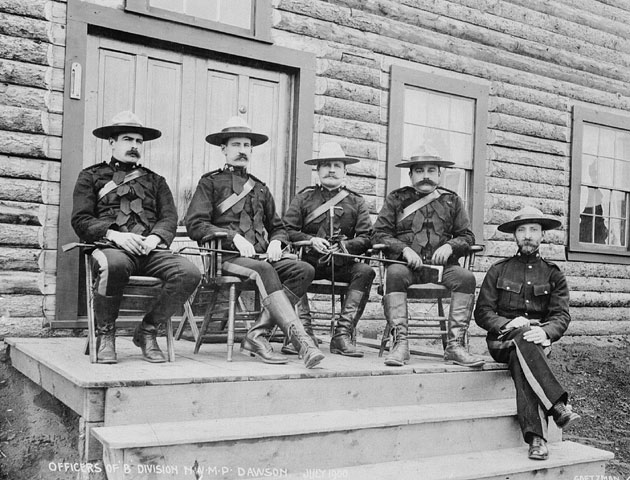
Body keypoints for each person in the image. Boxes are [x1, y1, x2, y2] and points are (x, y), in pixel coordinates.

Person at [185, 116, 324, 369]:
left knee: (303, 270)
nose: (242, 150)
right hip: (225, 259)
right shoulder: (210, 183)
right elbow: (195, 224)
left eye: (246, 145)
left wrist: (277, 243)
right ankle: (303, 343)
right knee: (264, 270)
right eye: (235, 144)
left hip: (261, 259)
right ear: (224, 149)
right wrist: (232, 236)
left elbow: (279, 227)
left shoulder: (260, 188)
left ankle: (256, 335)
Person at [71, 111, 201, 364]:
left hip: (150, 250)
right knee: (114, 265)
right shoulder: (90, 177)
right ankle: (106, 334)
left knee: (189, 273)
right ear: (112, 142)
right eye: (127, 139)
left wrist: (155, 238)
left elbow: (169, 218)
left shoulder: (155, 180)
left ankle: (148, 330)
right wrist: (115, 236)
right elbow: (81, 219)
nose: (133, 146)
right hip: (111, 247)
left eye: (138, 141)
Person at [474, 206, 580, 461]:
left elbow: (561, 316)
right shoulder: (498, 270)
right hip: (502, 342)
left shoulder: (553, 274)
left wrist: (545, 333)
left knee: (524, 358)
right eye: (522, 230)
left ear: (542, 235)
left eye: (533, 229)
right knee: (522, 336)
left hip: (536, 343)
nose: (527, 235)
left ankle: (536, 440)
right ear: (514, 236)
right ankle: (557, 405)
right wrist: (509, 324)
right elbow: (482, 313)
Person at [372, 144, 484, 368]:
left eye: (431, 170)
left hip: (443, 270)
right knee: (393, 273)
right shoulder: (396, 199)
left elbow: (467, 236)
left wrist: (451, 246)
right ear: (410, 174)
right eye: (420, 171)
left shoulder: (453, 201)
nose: (425, 176)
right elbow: (378, 233)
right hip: (406, 268)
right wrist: (403, 249)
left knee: (466, 278)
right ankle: (400, 344)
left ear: (439, 174)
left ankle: (455, 346)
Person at [283, 142, 375, 357]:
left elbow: (367, 237)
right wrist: (310, 240)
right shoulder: (304, 198)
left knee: (366, 272)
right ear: (318, 170)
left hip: (342, 262)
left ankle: (342, 335)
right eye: (325, 165)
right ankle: (303, 332)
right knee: (296, 269)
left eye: (336, 165)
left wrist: (345, 246)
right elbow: (286, 229)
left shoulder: (356, 201)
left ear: (345, 171)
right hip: (309, 261)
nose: (331, 170)